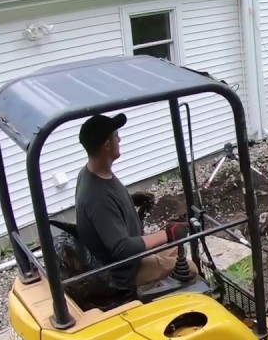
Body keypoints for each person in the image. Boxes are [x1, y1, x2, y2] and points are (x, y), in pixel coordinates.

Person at [74, 113, 195, 292]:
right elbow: (122, 248)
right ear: (107, 145)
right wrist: (167, 234)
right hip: (125, 271)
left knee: (179, 253)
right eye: (116, 136)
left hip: (133, 257)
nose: (120, 139)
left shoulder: (92, 173)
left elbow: (106, 214)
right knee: (191, 270)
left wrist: (129, 201)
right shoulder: (96, 196)